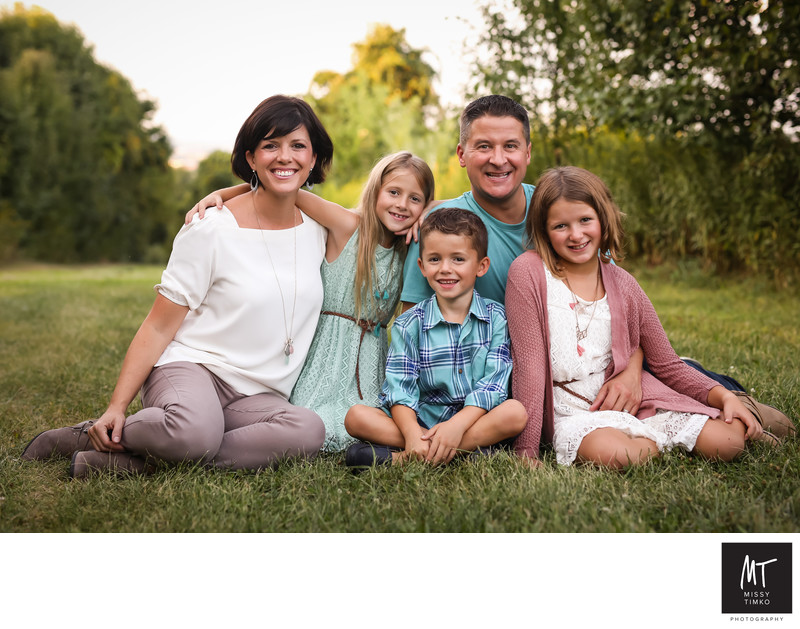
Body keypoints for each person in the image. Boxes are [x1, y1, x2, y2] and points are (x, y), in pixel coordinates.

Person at [20, 95, 334, 477]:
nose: (285, 156)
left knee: (308, 429)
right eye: (271, 145)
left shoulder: (320, 231)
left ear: (314, 157)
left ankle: (139, 463)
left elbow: (387, 216)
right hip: (192, 368)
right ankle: (90, 435)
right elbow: (158, 325)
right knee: (193, 432)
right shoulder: (211, 228)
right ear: (251, 158)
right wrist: (117, 406)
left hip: (256, 396)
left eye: (297, 145)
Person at [401, 93, 750, 417]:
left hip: (592, 364)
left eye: (510, 145)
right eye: (483, 146)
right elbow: (415, 334)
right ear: (461, 154)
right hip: (509, 382)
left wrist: (630, 371)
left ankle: (733, 398)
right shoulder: (441, 231)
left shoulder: (561, 209)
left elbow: (618, 312)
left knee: (698, 394)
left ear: (528, 152)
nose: (498, 159)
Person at [505, 166, 773, 468]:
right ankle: (655, 438)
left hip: (634, 398)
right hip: (571, 409)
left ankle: (740, 404)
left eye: (585, 220)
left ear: (603, 221)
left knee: (728, 444)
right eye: (561, 226)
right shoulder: (528, 273)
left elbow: (666, 364)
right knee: (626, 455)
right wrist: (525, 450)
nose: (576, 234)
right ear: (543, 230)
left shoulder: (623, 283)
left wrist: (723, 398)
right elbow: (529, 366)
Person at [189, 152, 435, 452]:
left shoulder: (408, 249)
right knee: (321, 427)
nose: (402, 205)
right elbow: (284, 191)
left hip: (372, 358)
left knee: (373, 422)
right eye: (394, 192)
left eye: (415, 199)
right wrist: (224, 193)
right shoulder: (348, 224)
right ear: (376, 192)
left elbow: (455, 214)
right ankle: (208, 446)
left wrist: (432, 212)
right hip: (326, 355)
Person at [344, 208, 528, 467]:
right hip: (420, 422)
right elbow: (400, 389)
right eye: (434, 259)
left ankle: (405, 459)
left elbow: (494, 385)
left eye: (458, 259)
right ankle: (457, 453)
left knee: (514, 413)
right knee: (356, 417)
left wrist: (456, 426)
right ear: (421, 266)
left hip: (470, 421)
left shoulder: (496, 318)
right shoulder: (409, 323)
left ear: (481, 266)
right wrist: (411, 434)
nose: (445, 269)